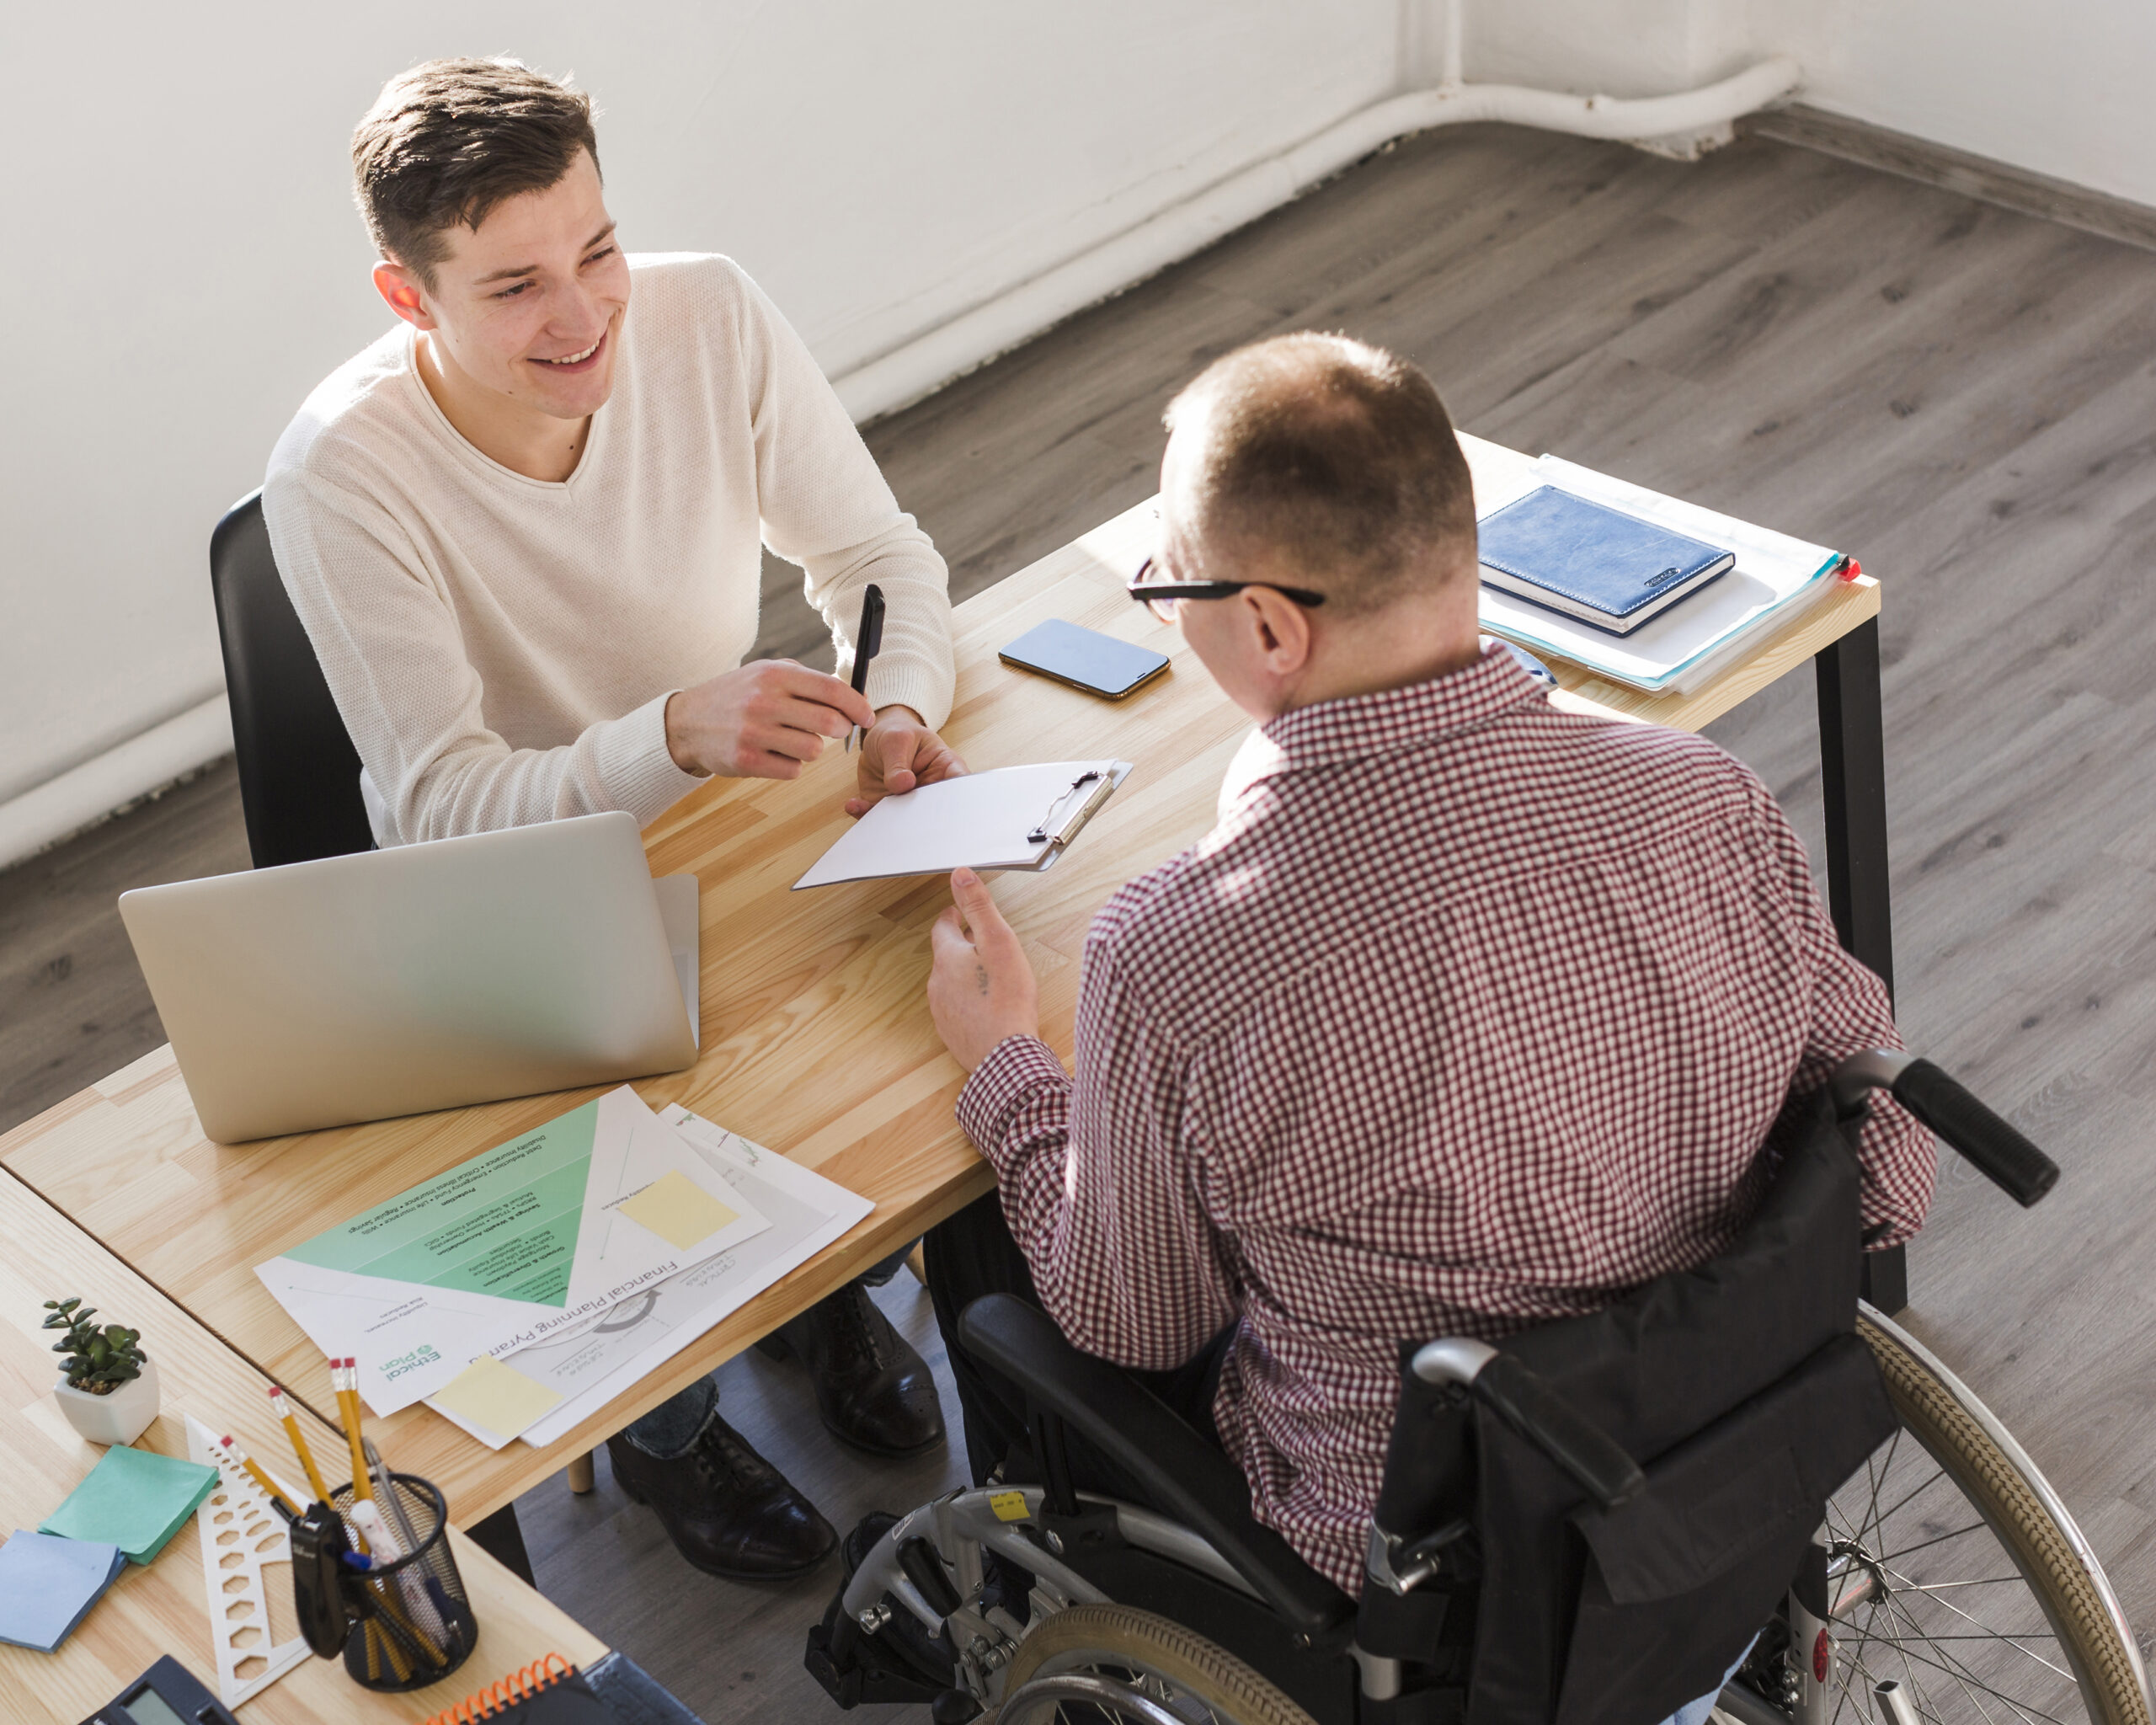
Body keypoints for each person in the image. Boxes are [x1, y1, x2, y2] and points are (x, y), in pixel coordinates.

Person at [917, 333, 1936, 1722]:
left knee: (1004, 1245)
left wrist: (1009, 1076)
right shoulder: (1700, 796)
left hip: (1437, 1573)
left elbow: (1137, 1321)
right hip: (1728, 1479)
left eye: (1168, 586)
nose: (1166, 607)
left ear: (1271, 627)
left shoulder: (1179, 951)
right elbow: (1886, 1169)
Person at [264, 57, 957, 1582]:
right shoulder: (340, 472)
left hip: (719, 823)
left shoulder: (704, 311)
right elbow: (439, 801)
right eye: (514, 286)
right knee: (664, 1107)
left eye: (597, 251)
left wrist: (900, 704)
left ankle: (814, 1289)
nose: (584, 316)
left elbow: (876, 554)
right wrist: (665, 736)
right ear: (407, 295)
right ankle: (666, 1432)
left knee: (883, 1024)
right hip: (515, 906)